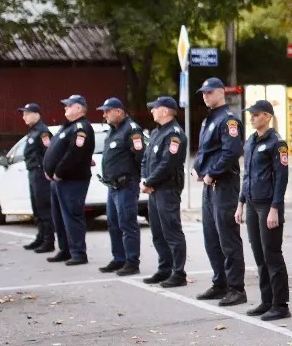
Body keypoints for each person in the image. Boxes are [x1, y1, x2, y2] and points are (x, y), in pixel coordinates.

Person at [192, 78, 246, 307]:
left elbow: (232, 151)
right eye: (203, 93)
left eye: (209, 92)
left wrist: (212, 172)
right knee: (211, 238)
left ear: (221, 92)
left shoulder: (228, 119)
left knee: (228, 238)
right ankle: (220, 283)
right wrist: (197, 168)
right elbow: (205, 150)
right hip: (209, 185)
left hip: (224, 185)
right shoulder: (209, 119)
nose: (205, 96)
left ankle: (236, 288)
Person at [237, 99, 290, 320]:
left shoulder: (277, 143)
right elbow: (247, 175)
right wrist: (240, 203)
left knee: (272, 255)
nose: (252, 118)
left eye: (256, 114)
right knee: (259, 256)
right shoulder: (250, 141)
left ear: (267, 116)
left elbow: (282, 178)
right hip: (251, 203)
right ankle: (267, 301)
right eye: (251, 114)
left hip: (268, 205)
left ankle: (280, 305)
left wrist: (275, 208)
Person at [42, 94, 96, 266]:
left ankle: (78, 253)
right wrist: (48, 170)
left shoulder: (81, 128)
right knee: (59, 217)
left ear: (79, 108)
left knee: (72, 216)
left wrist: (58, 172)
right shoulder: (67, 127)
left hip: (72, 180)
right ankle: (65, 250)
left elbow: (75, 154)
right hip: (58, 180)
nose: (65, 108)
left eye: (69, 105)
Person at [140, 96, 188, 288]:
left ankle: (178, 273)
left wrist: (149, 181)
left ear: (166, 111)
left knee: (171, 231)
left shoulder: (174, 134)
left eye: (155, 108)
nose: (152, 110)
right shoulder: (156, 132)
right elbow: (146, 159)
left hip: (167, 189)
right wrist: (144, 179)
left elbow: (168, 163)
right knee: (158, 232)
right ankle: (164, 269)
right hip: (154, 190)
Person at [96, 97, 144, 276]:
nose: (104, 115)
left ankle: (132, 262)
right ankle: (119, 258)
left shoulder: (131, 130)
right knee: (113, 224)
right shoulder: (112, 130)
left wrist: (139, 178)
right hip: (112, 186)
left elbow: (140, 156)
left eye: (107, 111)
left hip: (126, 185)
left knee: (127, 224)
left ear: (119, 111)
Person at [19, 103, 55, 253]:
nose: (24, 117)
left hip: (40, 173)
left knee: (44, 207)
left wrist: (46, 171)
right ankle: (40, 237)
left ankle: (48, 241)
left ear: (36, 114)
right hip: (33, 172)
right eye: (23, 114)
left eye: (27, 114)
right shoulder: (33, 131)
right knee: (36, 207)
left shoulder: (43, 132)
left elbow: (49, 153)